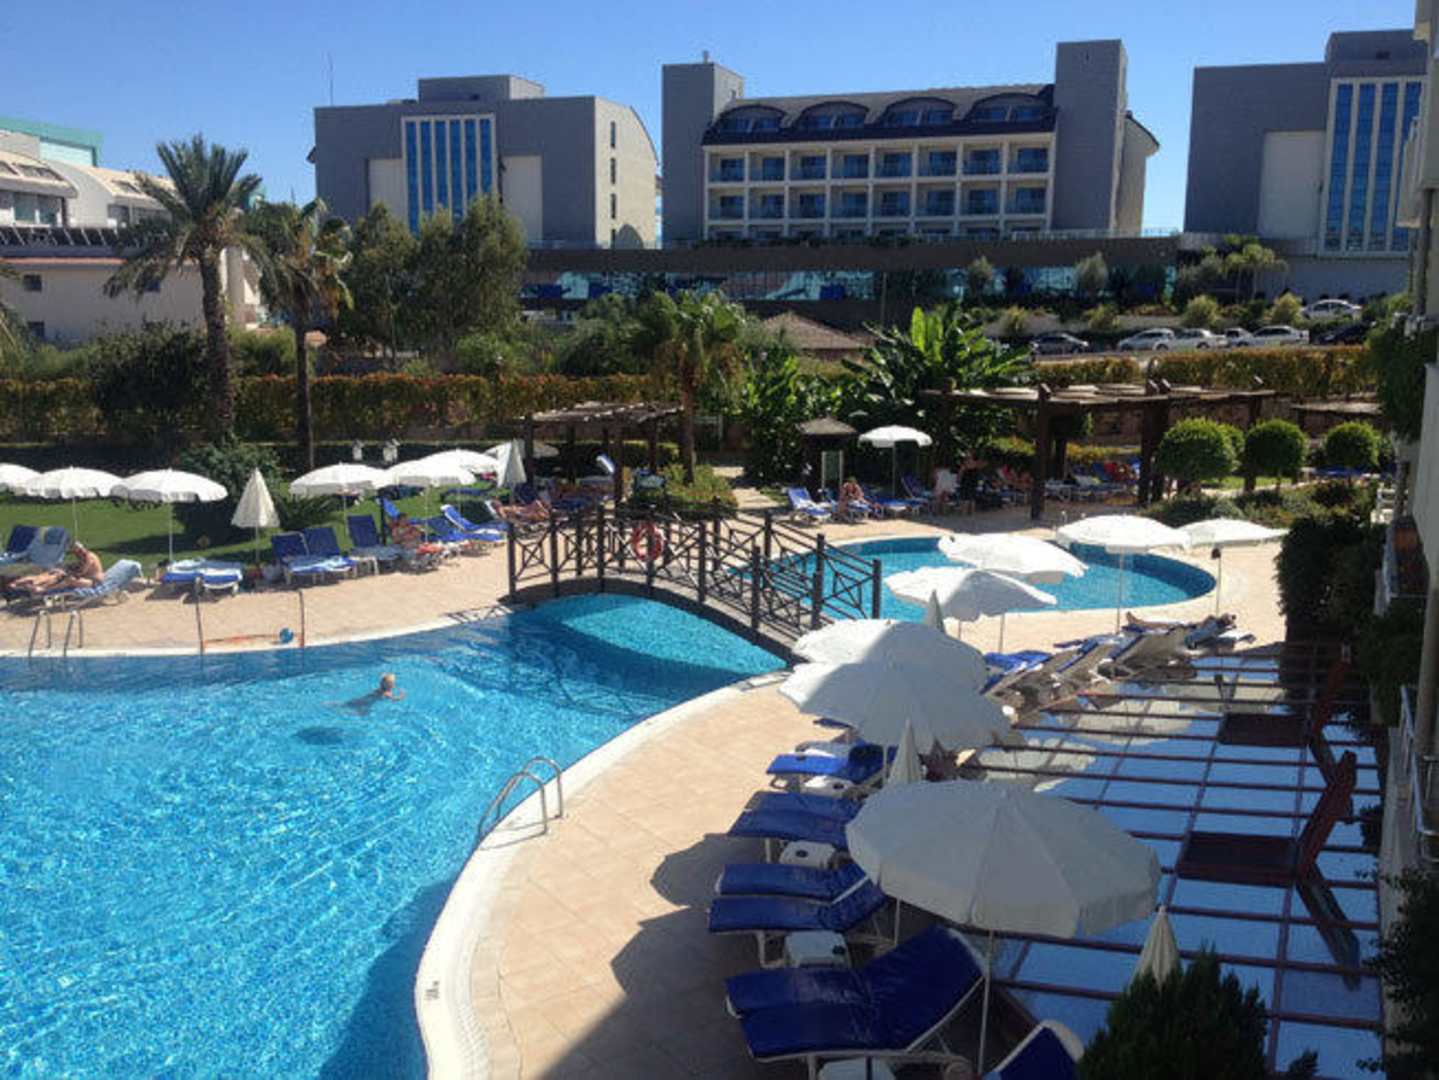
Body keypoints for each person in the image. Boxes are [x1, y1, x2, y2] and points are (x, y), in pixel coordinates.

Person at [7, 542, 103, 597]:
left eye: (76, 552)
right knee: (54, 573)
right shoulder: (83, 557)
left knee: (68, 579)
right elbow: (76, 566)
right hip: (86, 579)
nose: (75, 555)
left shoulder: (89, 558)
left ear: (80, 551)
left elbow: (80, 573)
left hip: (94, 583)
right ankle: (24, 583)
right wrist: (64, 568)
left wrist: (66, 572)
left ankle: (42, 588)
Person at [341, 672, 405, 715]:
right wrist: (402, 695)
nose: (393, 685)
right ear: (385, 684)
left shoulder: (381, 688)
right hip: (367, 702)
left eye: (393, 682)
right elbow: (395, 699)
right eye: (391, 683)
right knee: (363, 713)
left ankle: (339, 705)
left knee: (348, 704)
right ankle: (346, 712)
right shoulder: (386, 693)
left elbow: (383, 679)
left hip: (364, 698)